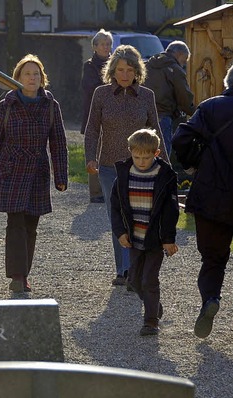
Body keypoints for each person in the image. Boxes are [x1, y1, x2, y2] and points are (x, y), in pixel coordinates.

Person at [172, 58, 233, 339]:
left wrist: (193, 165)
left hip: (210, 196)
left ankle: (210, 298)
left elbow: (181, 139)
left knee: (213, 258)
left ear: (228, 82)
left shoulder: (209, 107)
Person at [0, 54, 68, 294]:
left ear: (42, 78)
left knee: (31, 225)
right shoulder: (7, 105)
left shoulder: (50, 105)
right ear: (17, 78)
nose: (32, 78)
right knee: (15, 223)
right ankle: (18, 277)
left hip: (37, 171)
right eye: (27, 74)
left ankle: (23, 272)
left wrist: (61, 177)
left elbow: (58, 142)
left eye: (36, 74)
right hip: (11, 170)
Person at [84, 44, 167, 286]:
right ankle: (125, 270)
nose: (125, 75)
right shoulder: (101, 94)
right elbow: (91, 130)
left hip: (142, 166)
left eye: (130, 70)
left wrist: (165, 166)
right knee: (118, 217)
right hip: (110, 166)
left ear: (137, 72)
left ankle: (136, 268)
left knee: (140, 217)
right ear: (112, 71)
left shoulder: (146, 96)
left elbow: (156, 130)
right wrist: (91, 157)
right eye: (120, 69)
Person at [110, 128, 179, 336]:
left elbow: (170, 210)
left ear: (156, 154)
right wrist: (120, 232)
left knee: (149, 279)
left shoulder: (164, 176)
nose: (141, 161)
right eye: (137, 156)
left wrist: (168, 239)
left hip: (155, 240)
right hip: (134, 237)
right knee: (134, 281)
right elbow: (116, 206)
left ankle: (150, 322)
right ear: (130, 152)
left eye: (146, 157)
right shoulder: (123, 175)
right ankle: (154, 305)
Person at [144, 41, 195, 156]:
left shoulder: (147, 65)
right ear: (180, 54)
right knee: (163, 154)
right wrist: (195, 112)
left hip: (142, 115)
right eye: (185, 59)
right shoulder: (175, 69)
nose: (184, 63)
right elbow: (184, 96)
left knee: (143, 152)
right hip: (162, 117)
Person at [81, 29, 113, 204]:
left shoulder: (116, 64)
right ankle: (95, 192)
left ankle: (109, 188)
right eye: (103, 44)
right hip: (95, 113)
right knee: (93, 152)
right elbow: (90, 87)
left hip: (113, 115)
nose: (106, 47)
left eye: (108, 44)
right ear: (95, 47)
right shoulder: (90, 66)